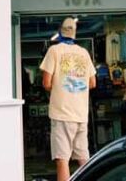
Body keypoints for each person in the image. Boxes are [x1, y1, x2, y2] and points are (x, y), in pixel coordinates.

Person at [40, 18, 97, 181]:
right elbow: (92, 83)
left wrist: (62, 87)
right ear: (74, 33)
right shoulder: (84, 52)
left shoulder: (54, 51)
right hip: (80, 113)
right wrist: (77, 87)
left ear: (59, 32)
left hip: (62, 113)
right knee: (84, 159)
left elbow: (46, 83)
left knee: (62, 159)